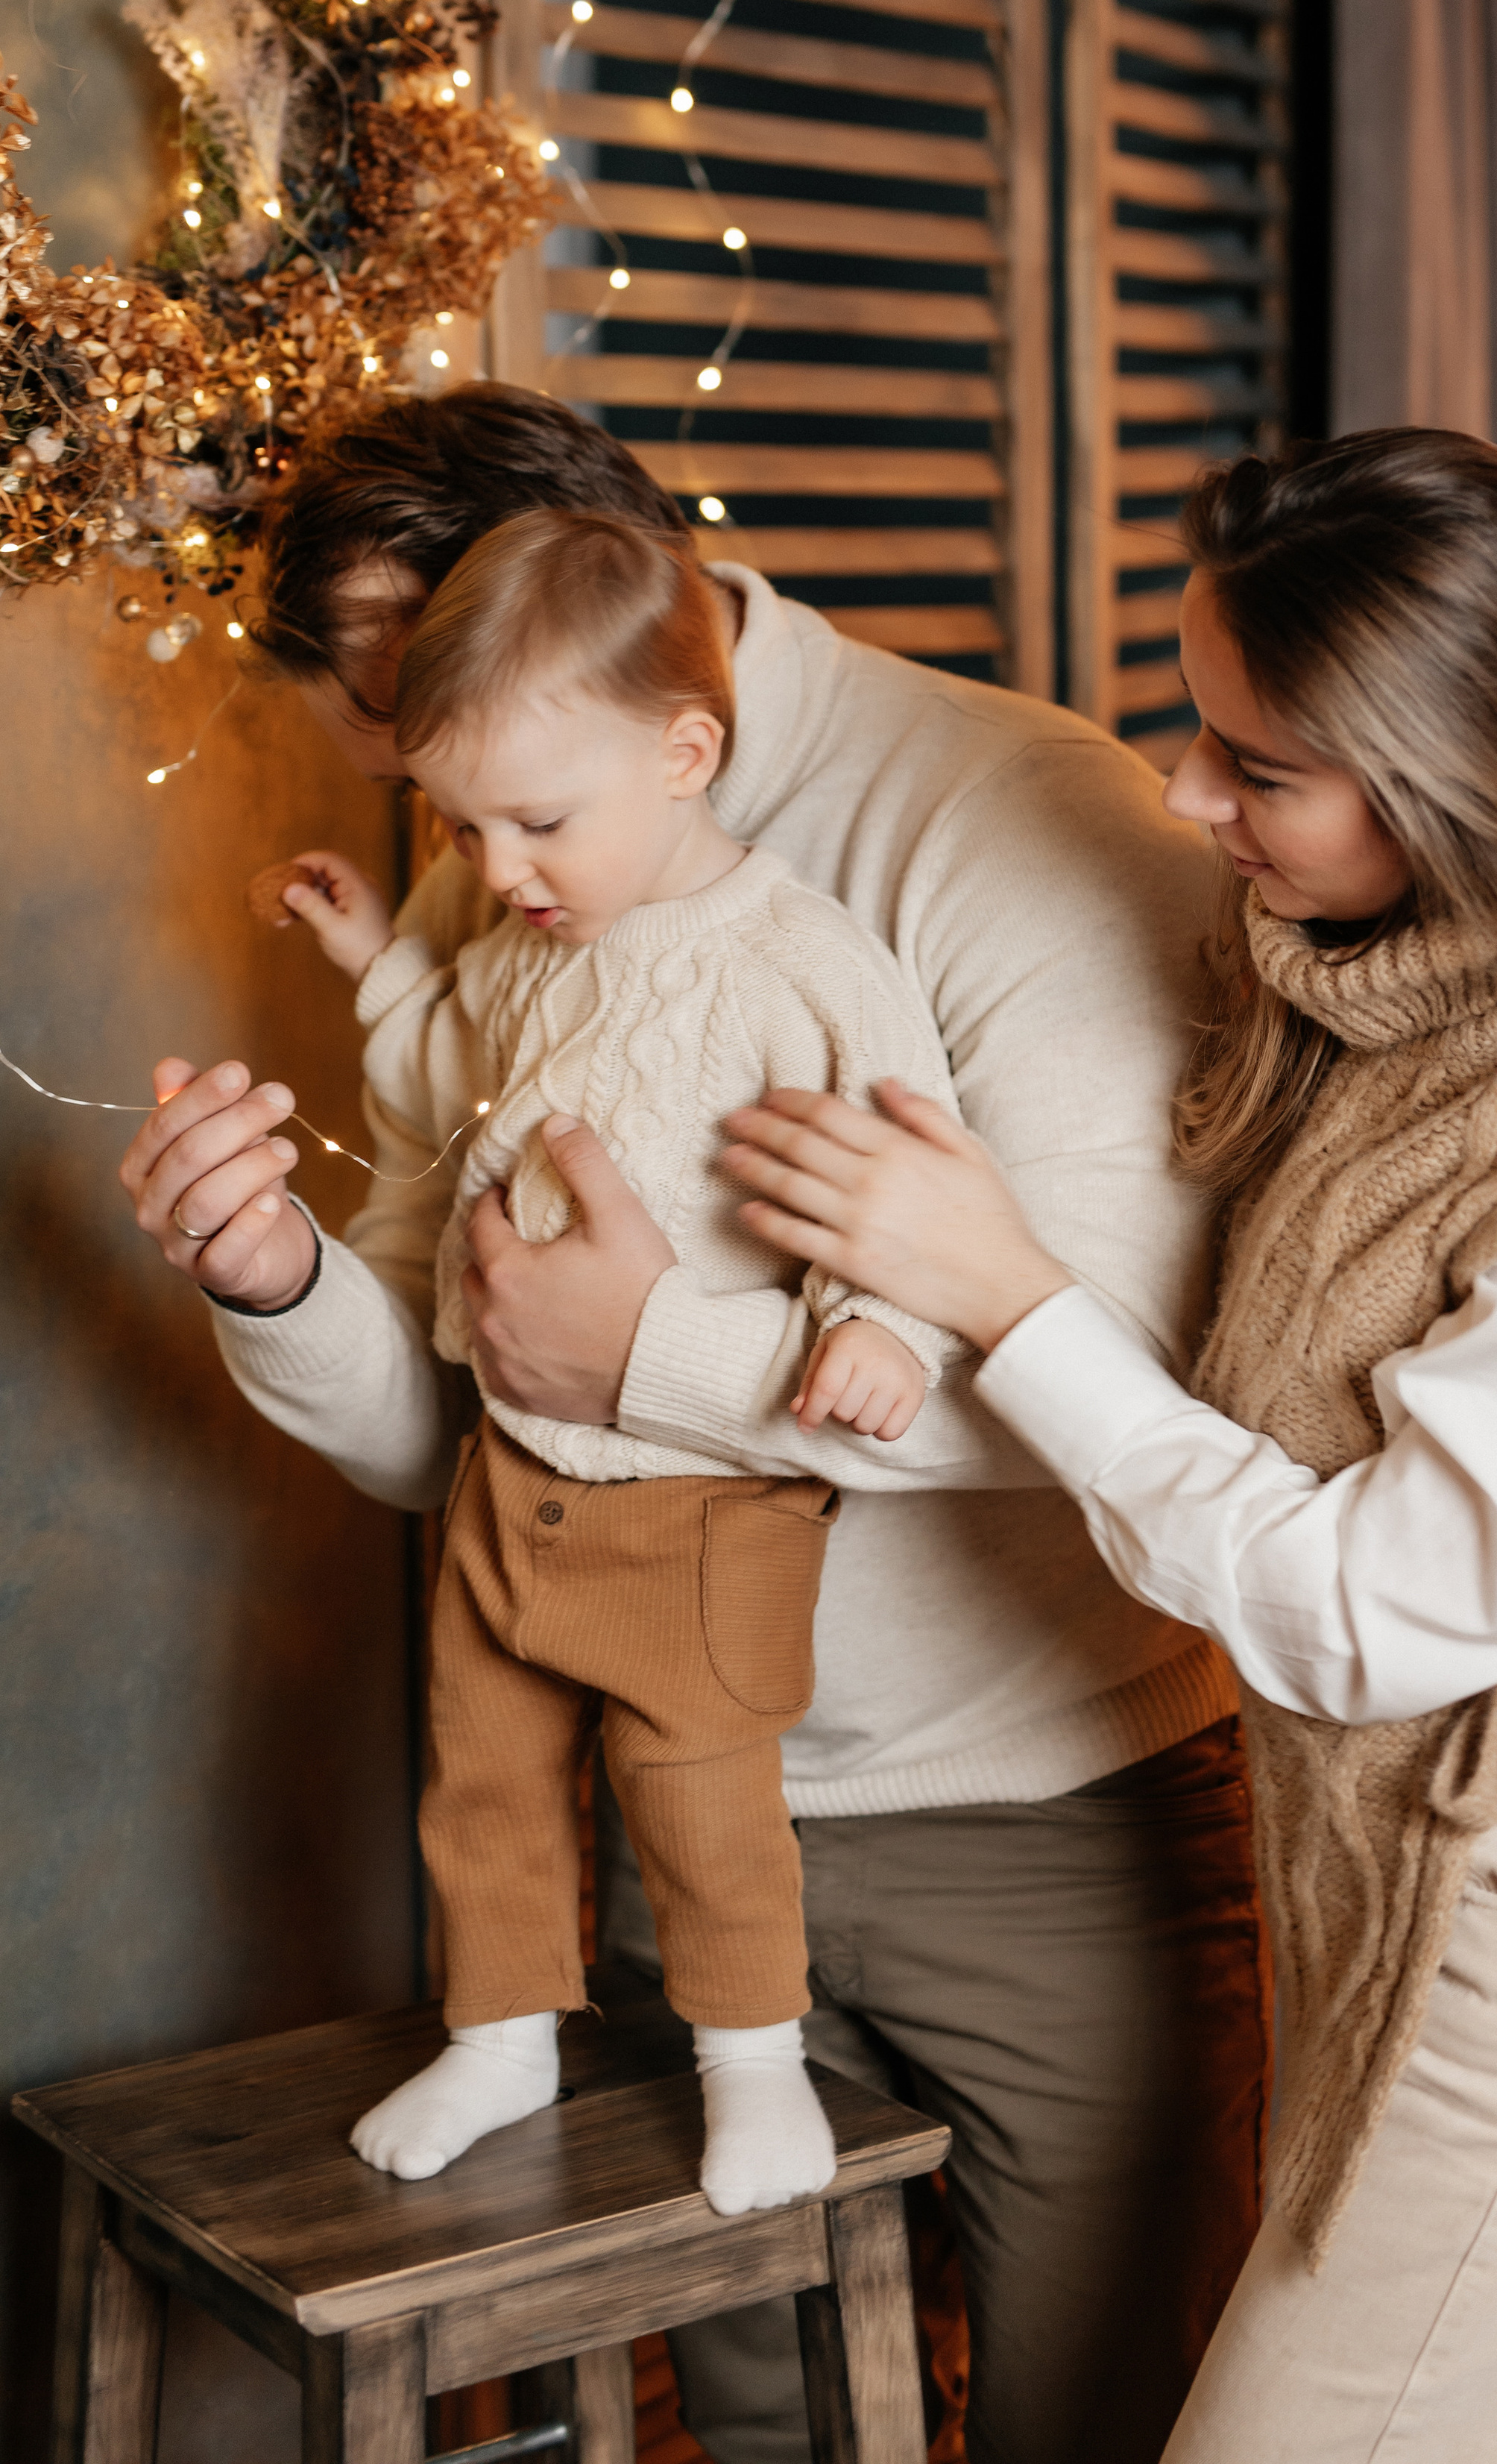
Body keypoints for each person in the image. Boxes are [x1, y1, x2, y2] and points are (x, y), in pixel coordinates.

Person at [117, 384, 1264, 2464]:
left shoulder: (1014, 822)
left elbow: (1133, 1380)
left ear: (606, 620)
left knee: (1119, 2412)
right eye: (399, 738)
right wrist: (276, 1279)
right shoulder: (515, 840)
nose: (420, 780)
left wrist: (646, 1354)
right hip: (660, 1799)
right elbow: (448, 1415)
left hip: (1042, 1820)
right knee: (754, 2427)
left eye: (420, 686)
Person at [716, 430, 1497, 2464]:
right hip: (1438, 1936)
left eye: (1258, 766)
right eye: (1204, 730)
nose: (1182, 796)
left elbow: (1370, 1615)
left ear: (1463, 783)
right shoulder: (1418, 1005)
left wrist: (1004, 1295)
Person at [256, 505, 964, 2213]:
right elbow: (457, 1109)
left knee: (703, 1806)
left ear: (684, 751)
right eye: (465, 824)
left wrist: (884, 1327)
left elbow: (924, 1180)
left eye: (539, 822)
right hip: (513, 1474)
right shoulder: (519, 945)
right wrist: (382, 974)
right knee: (481, 1774)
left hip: (700, 1503)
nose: (498, 866)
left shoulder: (799, 961)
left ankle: (753, 2068)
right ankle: (501, 2032)